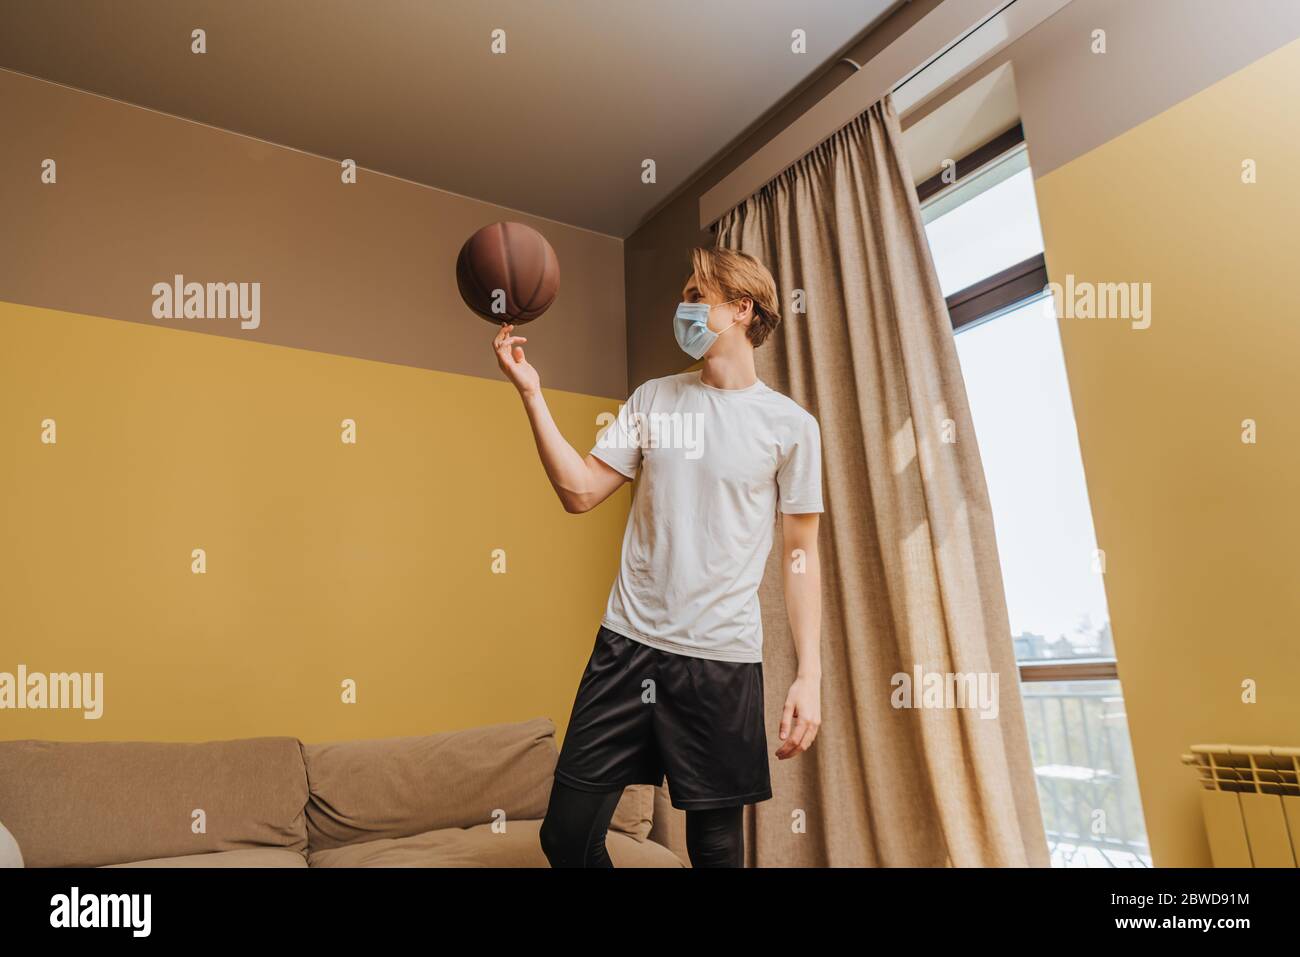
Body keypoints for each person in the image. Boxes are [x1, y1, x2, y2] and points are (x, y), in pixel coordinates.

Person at [492, 246, 824, 868]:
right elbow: (580, 492)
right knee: (565, 836)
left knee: (715, 850)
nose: (684, 309)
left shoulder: (790, 426)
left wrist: (810, 673)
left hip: (721, 661)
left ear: (740, 309)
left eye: (697, 296)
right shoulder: (654, 400)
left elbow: (800, 555)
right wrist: (532, 395)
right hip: (628, 645)